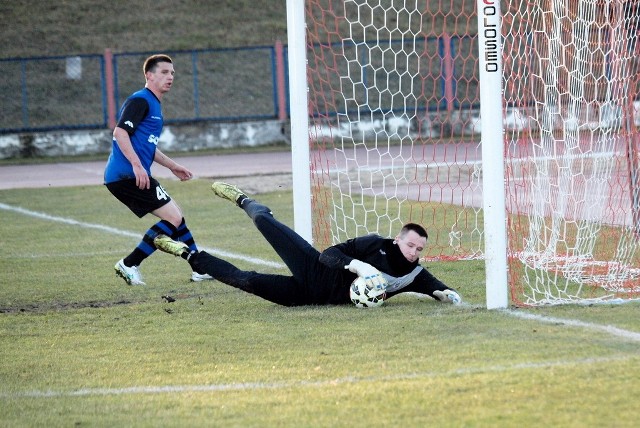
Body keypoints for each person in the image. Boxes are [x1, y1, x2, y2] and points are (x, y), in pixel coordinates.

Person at [153, 181, 461, 306]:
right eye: (410, 245)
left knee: (245, 281)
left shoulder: (412, 274)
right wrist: (359, 267)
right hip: (311, 266)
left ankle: (186, 254)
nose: (414, 252)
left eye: (419, 250)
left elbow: (435, 287)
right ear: (398, 239)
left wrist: (446, 294)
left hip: (307, 296)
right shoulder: (372, 245)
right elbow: (329, 254)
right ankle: (244, 199)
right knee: (265, 223)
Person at [104, 54, 212, 285]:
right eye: (164, 72)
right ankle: (129, 263)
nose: (170, 77)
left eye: (172, 73)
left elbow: (146, 146)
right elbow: (120, 133)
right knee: (173, 218)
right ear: (149, 75)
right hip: (126, 175)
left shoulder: (154, 104)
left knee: (176, 215)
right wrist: (136, 166)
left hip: (130, 174)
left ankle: (199, 267)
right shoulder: (140, 101)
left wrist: (173, 166)